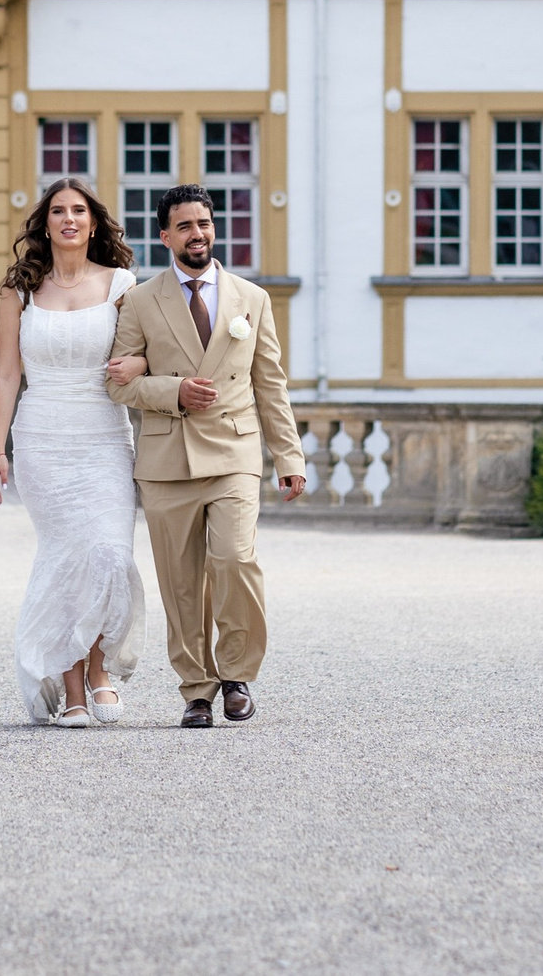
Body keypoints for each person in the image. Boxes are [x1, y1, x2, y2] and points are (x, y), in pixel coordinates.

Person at [107, 184, 306, 728]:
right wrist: (173, 391)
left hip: (234, 451)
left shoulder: (252, 299)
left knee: (235, 559)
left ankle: (237, 675)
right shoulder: (140, 301)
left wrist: (289, 457)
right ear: (165, 236)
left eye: (205, 223)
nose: (198, 234)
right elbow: (118, 384)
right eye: (186, 226)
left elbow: (271, 384)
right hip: (167, 459)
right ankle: (197, 690)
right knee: (181, 583)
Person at [0, 177, 152, 726]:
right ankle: (73, 686)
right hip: (42, 439)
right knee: (66, 560)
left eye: (79, 210)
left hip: (104, 436)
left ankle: (100, 671)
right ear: (45, 224)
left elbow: (148, 351)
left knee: (108, 554)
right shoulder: (18, 290)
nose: (69, 219)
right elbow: (7, 374)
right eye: (58, 211)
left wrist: (140, 364)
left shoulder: (121, 284)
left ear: (93, 222)